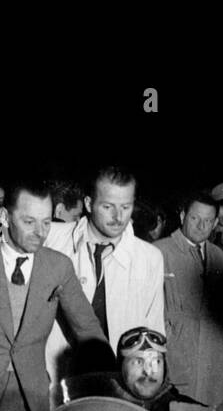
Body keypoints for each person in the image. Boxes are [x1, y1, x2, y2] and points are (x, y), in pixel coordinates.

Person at [0, 180, 106, 411]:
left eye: (46, 222)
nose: (40, 232)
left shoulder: (59, 267)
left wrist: (111, 379)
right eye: (29, 222)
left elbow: (87, 328)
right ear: (5, 216)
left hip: (28, 395)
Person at [45, 164, 164, 394]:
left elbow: (154, 334)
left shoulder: (150, 258)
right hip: (57, 384)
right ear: (89, 204)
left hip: (119, 388)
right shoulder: (52, 239)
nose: (118, 217)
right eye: (108, 206)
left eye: (126, 207)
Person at [154, 191, 223, 411]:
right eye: (195, 218)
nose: (201, 226)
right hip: (179, 356)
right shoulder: (159, 251)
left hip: (214, 358)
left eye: (208, 221)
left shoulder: (219, 256)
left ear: (216, 223)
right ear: (182, 216)